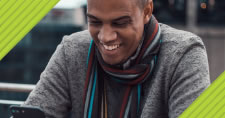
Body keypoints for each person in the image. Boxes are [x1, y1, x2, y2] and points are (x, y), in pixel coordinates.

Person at [23, 0, 211, 117]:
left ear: (147, 11)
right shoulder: (72, 50)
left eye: (120, 23)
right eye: (95, 22)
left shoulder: (184, 53)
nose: (105, 37)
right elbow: (36, 111)